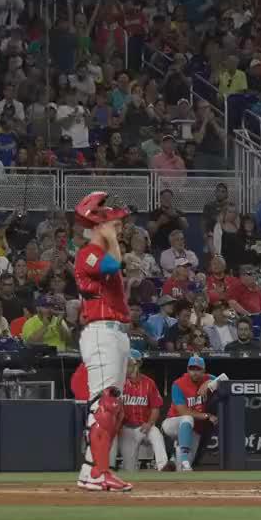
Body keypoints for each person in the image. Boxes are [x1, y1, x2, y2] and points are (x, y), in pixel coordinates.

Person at [71, 192, 134, 493]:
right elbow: (113, 265)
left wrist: (109, 232)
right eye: (113, 222)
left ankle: (89, 471)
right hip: (100, 331)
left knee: (113, 407)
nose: (119, 226)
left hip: (115, 332)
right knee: (105, 404)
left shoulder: (98, 249)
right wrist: (108, 235)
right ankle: (99, 472)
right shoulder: (88, 253)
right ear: (98, 225)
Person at [160, 355, 219, 471]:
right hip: (172, 423)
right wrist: (207, 416)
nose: (195, 372)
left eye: (198, 369)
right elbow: (182, 411)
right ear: (187, 370)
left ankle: (176, 458)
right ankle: (183, 458)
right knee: (187, 418)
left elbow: (227, 380)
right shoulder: (178, 384)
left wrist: (210, 382)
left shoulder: (208, 378)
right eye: (192, 369)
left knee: (182, 468)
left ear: (204, 370)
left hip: (193, 430)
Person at [114, 350, 169, 472]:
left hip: (144, 427)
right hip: (126, 429)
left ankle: (163, 466)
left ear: (138, 364)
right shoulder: (119, 383)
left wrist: (149, 423)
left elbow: (155, 407)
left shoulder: (149, 383)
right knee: (130, 469)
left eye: (130, 363)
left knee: (156, 434)